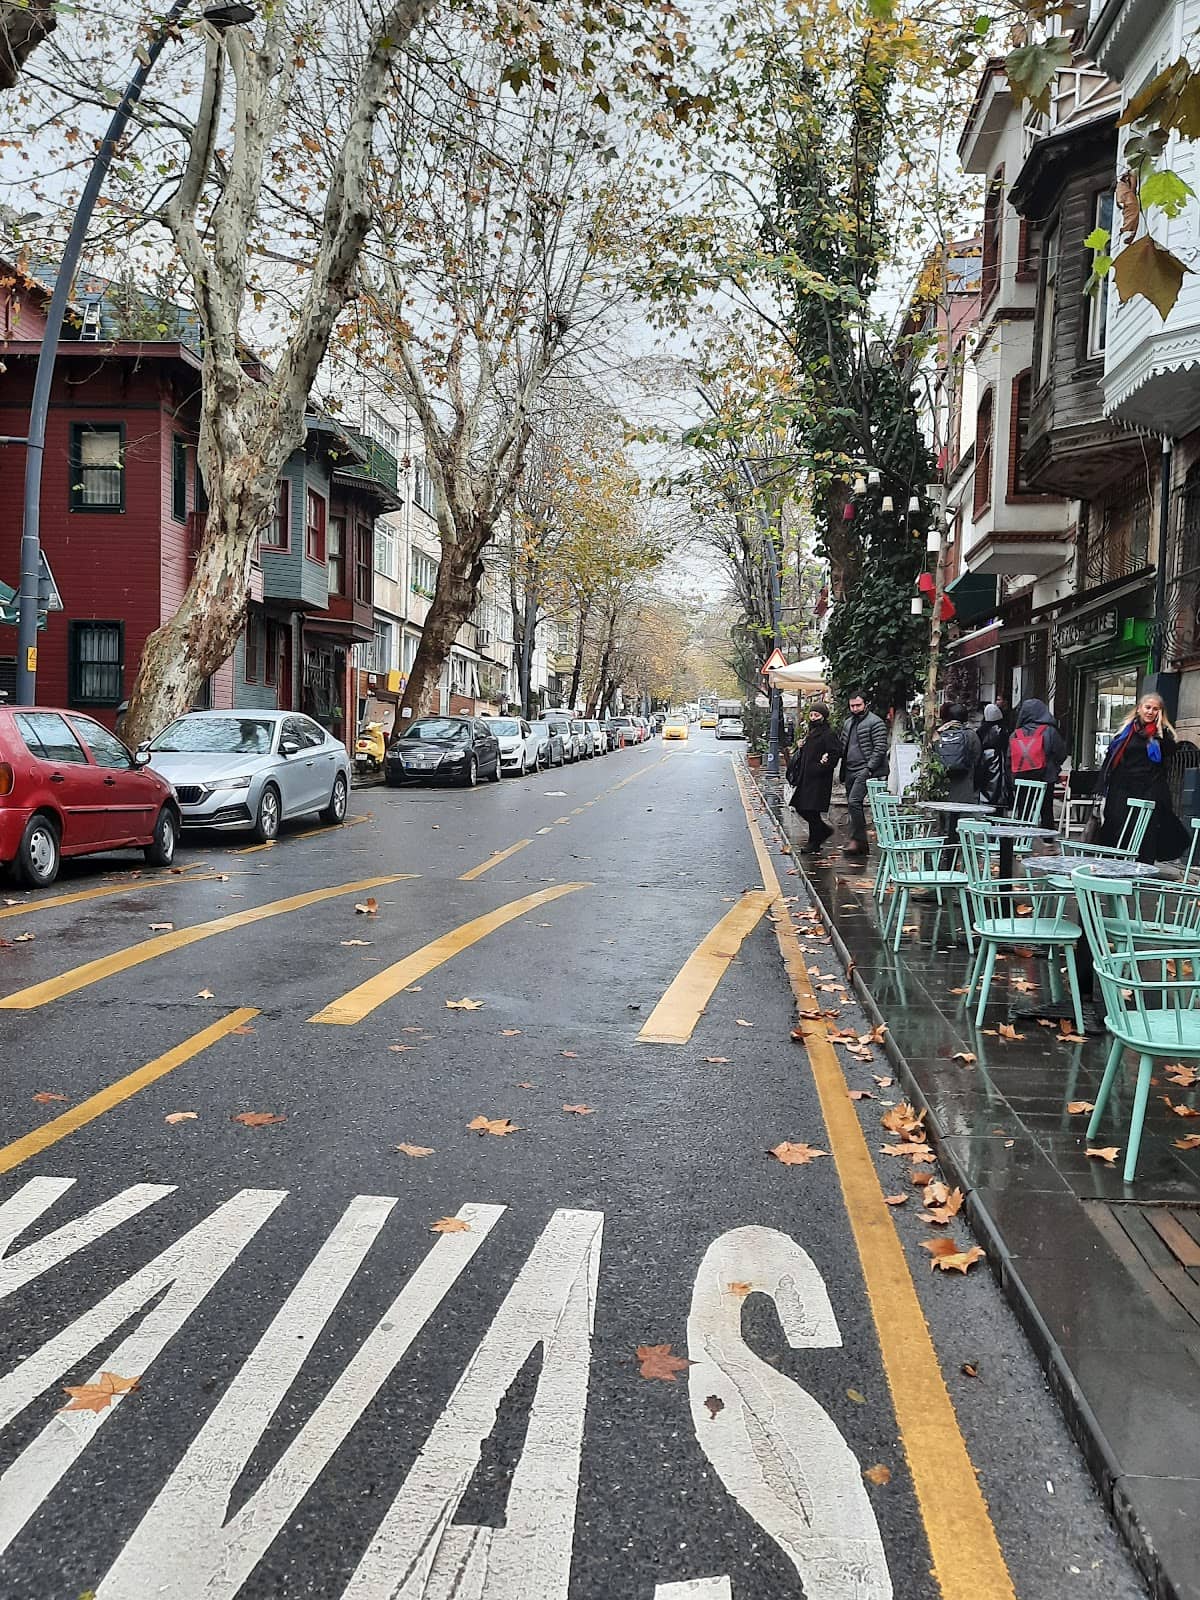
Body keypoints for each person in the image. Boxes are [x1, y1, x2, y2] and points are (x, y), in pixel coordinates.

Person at [1098, 692, 1188, 862]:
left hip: (1148, 789)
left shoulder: (1161, 735)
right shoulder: (1126, 732)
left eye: (1155, 709)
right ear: (1139, 708)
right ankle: (1115, 866)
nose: (1150, 712)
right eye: (1148, 707)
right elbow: (1112, 757)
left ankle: (1141, 868)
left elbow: (1170, 751)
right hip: (1122, 788)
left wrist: (1159, 730)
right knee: (1117, 828)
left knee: (1145, 832)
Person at [786, 705, 843, 853]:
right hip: (806, 777)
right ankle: (819, 835)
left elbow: (835, 753)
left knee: (810, 809)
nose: (813, 718)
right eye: (811, 715)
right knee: (803, 807)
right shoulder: (811, 732)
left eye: (816, 715)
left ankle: (815, 841)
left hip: (819, 779)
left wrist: (822, 765)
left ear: (823, 716)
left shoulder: (828, 734)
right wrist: (801, 746)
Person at [839, 691, 888, 856]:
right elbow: (843, 745)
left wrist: (869, 768)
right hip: (850, 769)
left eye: (858, 705)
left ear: (866, 704)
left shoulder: (875, 722)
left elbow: (880, 748)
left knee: (854, 801)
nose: (855, 709)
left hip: (865, 769)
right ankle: (861, 844)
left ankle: (857, 839)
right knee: (852, 804)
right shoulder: (848, 723)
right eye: (852, 706)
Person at [1008, 698, 1067, 829]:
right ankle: (1047, 838)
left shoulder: (1016, 734)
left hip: (1022, 778)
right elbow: (1061, 753)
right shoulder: (1050, 731)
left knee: (1024, 810)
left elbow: (1009, 758)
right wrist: (1054, 767)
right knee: (1046, 811)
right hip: (1046, 777)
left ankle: (1023, 836)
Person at [935, 702, 982, 805]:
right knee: (963, 810)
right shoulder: (971, 735)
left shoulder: (940, 734)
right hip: (966, 783)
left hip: (944, 784)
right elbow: (977, 757)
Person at [975, 702, 1011, 810]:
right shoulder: (1004, 730)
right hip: (1000, 761)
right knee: (999, 790)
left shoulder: (981, 731)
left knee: (984, 788)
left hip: (984, 761)